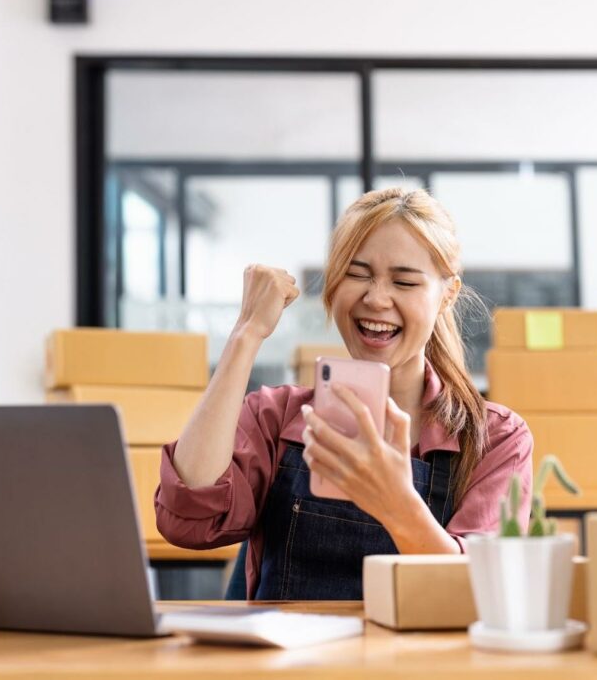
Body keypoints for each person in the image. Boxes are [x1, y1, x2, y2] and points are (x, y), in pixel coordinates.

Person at [155, 187, 533, 600]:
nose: (376, 298)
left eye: (404, 281)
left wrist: (395, 502)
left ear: (447, 294)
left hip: (413, 666)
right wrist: (246, 335)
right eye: (356, 274)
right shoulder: (275, 417)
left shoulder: (496, 438)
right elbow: (187, 519)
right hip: (289, 665)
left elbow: (485, 594)